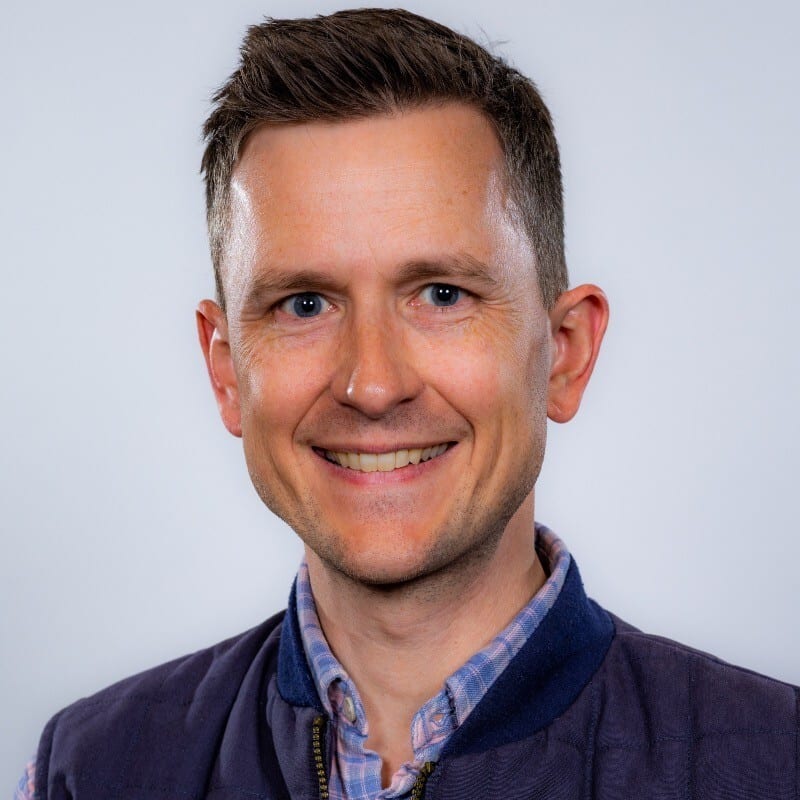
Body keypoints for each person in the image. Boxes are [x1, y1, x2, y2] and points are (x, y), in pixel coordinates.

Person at [18, 8, 798, 800]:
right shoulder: (92, 771)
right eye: (304, 305)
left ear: (565, 351)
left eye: (441, 293)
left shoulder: (775, 765)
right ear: (227, 374)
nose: (373, 383)